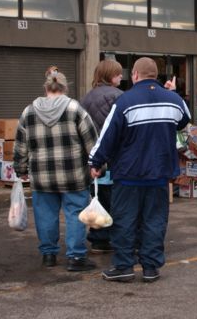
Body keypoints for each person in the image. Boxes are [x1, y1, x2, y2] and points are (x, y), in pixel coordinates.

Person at [89, 57, 190, 283]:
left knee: (125, 221)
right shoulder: (172, 101)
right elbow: (185, 119)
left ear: (134, 75)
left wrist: (95, 162)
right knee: (154, 221)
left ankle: (124, 266)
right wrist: (174, 93)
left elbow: (108, 136)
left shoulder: (125, 102)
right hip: (160, 174)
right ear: (156, 76)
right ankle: (151, 268)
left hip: (129, 175)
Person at [13, 66, 100, 271]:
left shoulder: (29, 112)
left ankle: (49, 255)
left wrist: (21, 168)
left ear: (46, 88)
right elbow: (91, 141)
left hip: (42, 177)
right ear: (64, 87)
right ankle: (76, 257)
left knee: (45, 215)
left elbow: (20, 145)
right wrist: (98, 166)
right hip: (73, 175)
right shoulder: (75, 109)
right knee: (75, 213)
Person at [80, 59, 124, 254]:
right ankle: (117, 238)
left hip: (92, 161)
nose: (122, 76)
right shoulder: (118, 96)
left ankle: (98, 239)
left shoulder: (86, 98)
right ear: (109, 75)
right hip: (113, 160)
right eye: (118, 73)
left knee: (98, 199)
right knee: (117, 203)